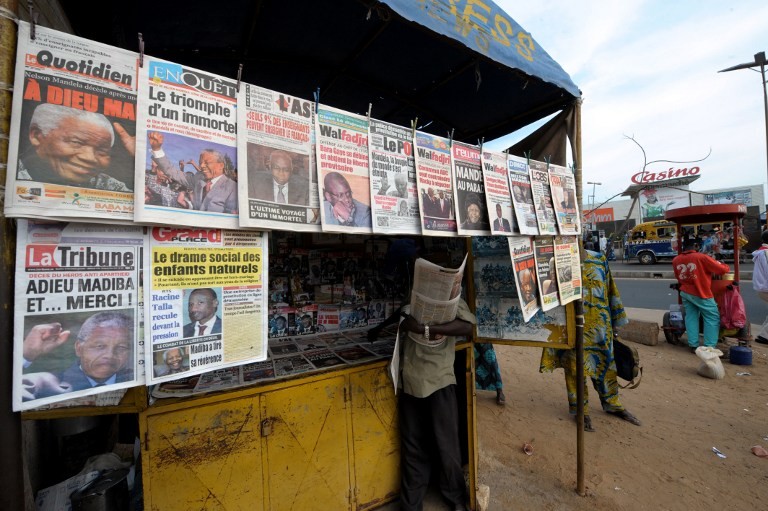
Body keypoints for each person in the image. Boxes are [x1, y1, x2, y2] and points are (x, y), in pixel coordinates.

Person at [540, 249, 640, 431]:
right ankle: (581, 410)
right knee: (574, 369)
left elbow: (610, 289)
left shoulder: (599, 259)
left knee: (607, 367)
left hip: (601, 327)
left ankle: (613, 404)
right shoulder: (556, 260)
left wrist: (616, 321)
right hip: (572, 328)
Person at [398, 293, 474, 511]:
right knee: (413, 446)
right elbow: (403, 323)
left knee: (446, 444)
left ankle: (455, 497)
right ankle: (412, 504)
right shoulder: (411, 298)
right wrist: (408, 324)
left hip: (439, 381)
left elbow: (468, 328)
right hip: (411, 380)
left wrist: (426, 329)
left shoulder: (453, 300)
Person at [17, 104, 133, 191]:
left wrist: (146, 157)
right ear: (37, 135)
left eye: (102, 151)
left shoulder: (108, 186)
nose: (90, 158)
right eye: (76, 142)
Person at [22, 312, 134, 397]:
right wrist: (26, 354)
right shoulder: (38, 384)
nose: (110, 355)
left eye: (121, 347)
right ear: (79, 348)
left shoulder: (136, 385)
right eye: (99, 346)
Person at [149, 131, 238, 214]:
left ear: (221, 165)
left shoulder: (232, 188)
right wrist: (157, 149)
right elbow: (171, 171)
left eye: (207, 162)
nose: (202, 166)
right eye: (200, 163)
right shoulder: (198, 178)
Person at [672, 238, 730, 351]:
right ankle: (709, 347)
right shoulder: (701, 257)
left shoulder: (676, 259)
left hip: (685, 292)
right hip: (701, 292)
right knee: (712, 316)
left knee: (691, 317)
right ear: (696, 246)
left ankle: (693, 345)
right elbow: (722, 270)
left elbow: (678, 276)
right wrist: (724, 265)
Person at [752, 230, 768, 345]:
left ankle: (764, 334)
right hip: (765, 287)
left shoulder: (761, 252)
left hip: (762, 287)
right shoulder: (766, 253)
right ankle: (764, 335)